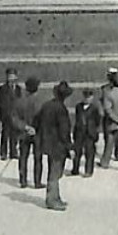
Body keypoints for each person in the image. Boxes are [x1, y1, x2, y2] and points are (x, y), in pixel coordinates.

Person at [36, 81, 74, 211]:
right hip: (58, 145)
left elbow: (37, 121)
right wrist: (70, 147)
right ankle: (52, 200)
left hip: (47, 144)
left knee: (53, 171)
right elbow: (64, 131)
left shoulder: (46, 105)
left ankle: (55, 197)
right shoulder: (61, 109)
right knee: (55, 173)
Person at [13, 76, 43, 188]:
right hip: (37, 133)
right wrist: (34, 129)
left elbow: (15, 118)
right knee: (38, 158)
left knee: (23, 157)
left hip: (23, 132)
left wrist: (25, 127)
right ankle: (37, 182)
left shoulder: (19, 101)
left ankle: (23, 181)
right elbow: (43, 118)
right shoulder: (40, 102)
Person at [0, 67, 22, 161]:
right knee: (5, 134)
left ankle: (14, 152)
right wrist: (2, 111)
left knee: (15, 135)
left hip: (15, 115)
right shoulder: (2, 89)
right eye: (10, 76)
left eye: (13, 76)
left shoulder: (18, 89)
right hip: (6, 115)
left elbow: (21, 100)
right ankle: (4, 153)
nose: (11, 79)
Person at [72, 87, 101, 177]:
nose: (87, 99)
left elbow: (97, 120)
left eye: (89, 97)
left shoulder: (94, 108)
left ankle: (88, 171)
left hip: (89, 133)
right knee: (77, 152)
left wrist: (93, 129)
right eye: (85, 97)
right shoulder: (78, 107)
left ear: (92, 98)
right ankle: (75, 169)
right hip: (80, 132)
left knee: (89, 152)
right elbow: (77, 119)